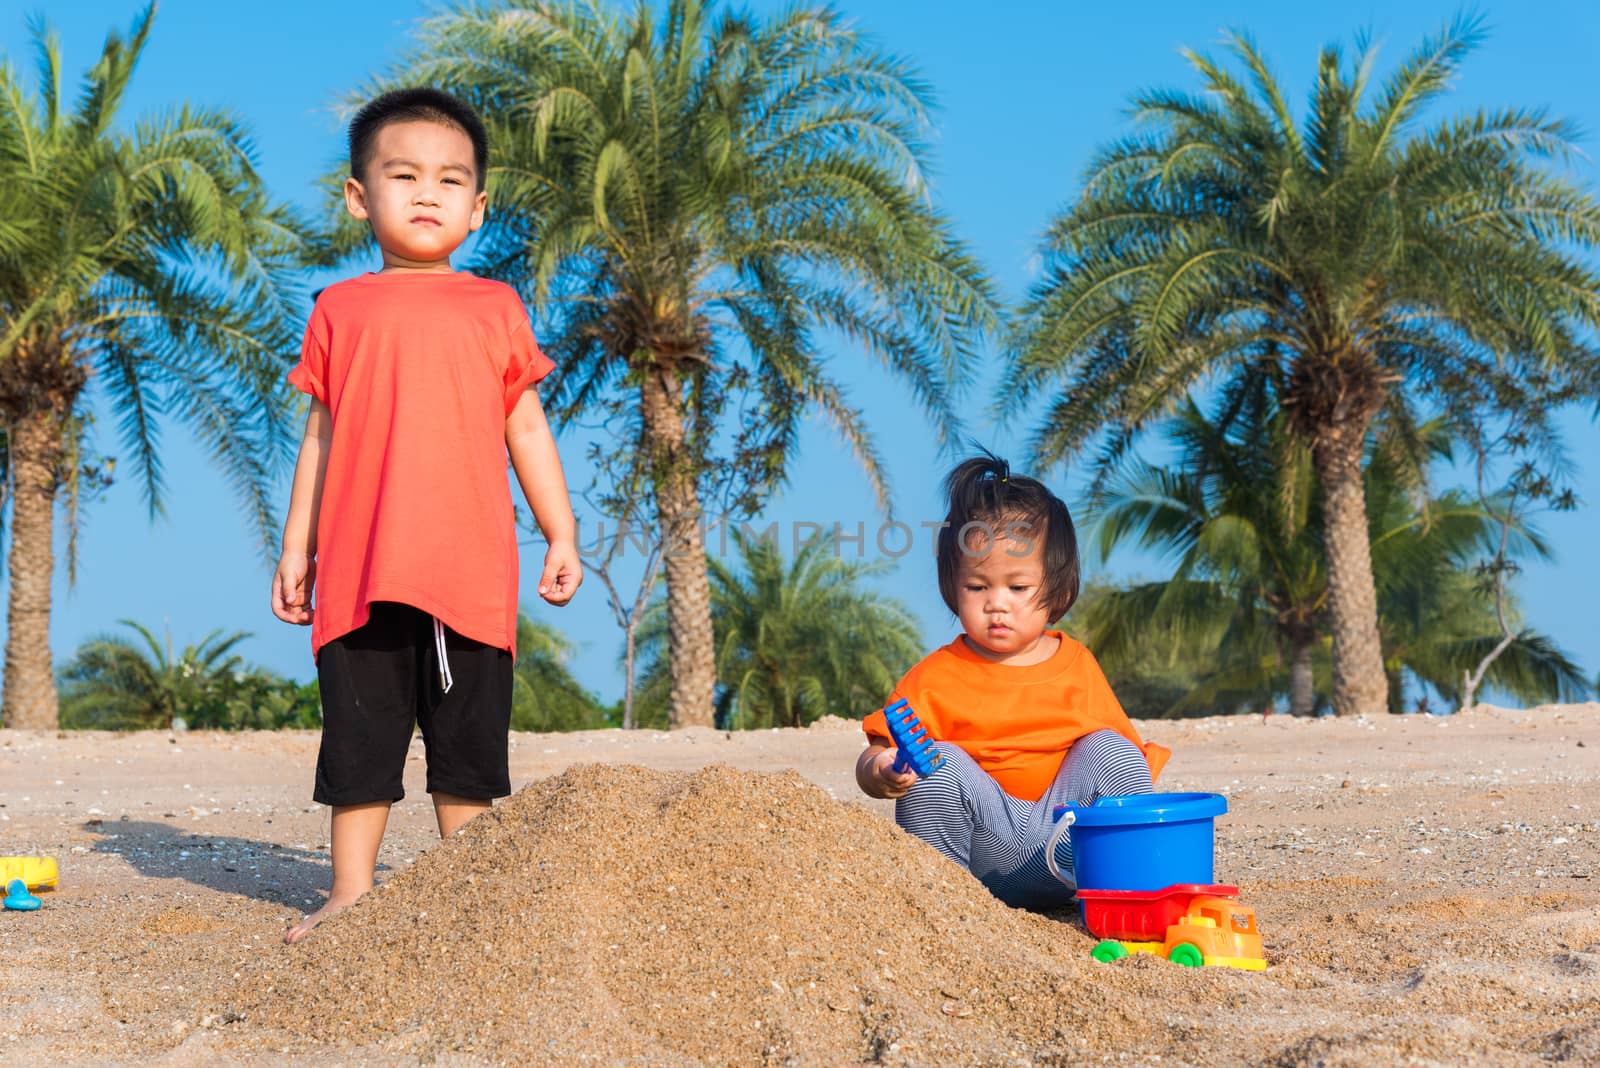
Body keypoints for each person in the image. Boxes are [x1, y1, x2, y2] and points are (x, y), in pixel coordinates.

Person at [271, 88, 581, 943]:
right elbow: (321, 437)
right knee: (359, 742)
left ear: (478, 207)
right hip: (360, 573)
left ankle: (467, 901)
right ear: (358, 196)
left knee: (468, 751)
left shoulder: (494, 307)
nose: (427, 193)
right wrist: (295, 548)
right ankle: (350, 891)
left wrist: (562, 531)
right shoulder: (339, 309)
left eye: (450, 180)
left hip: (467, 575)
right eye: (402, 175)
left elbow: (526, 425)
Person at [856, 455, 1169, 909]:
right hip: (978, 850)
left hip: (1068, 843)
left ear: (1057, 591)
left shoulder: (1076, 665)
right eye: (977, 587)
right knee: (936, 762)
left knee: (1111, 748)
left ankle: (1128, 888)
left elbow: (1122, 770)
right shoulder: (937, 676)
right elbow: (875, 750)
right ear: (952, 587)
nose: (996, 605)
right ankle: (941, 904)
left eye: (1017, 588)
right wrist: (881, 770)